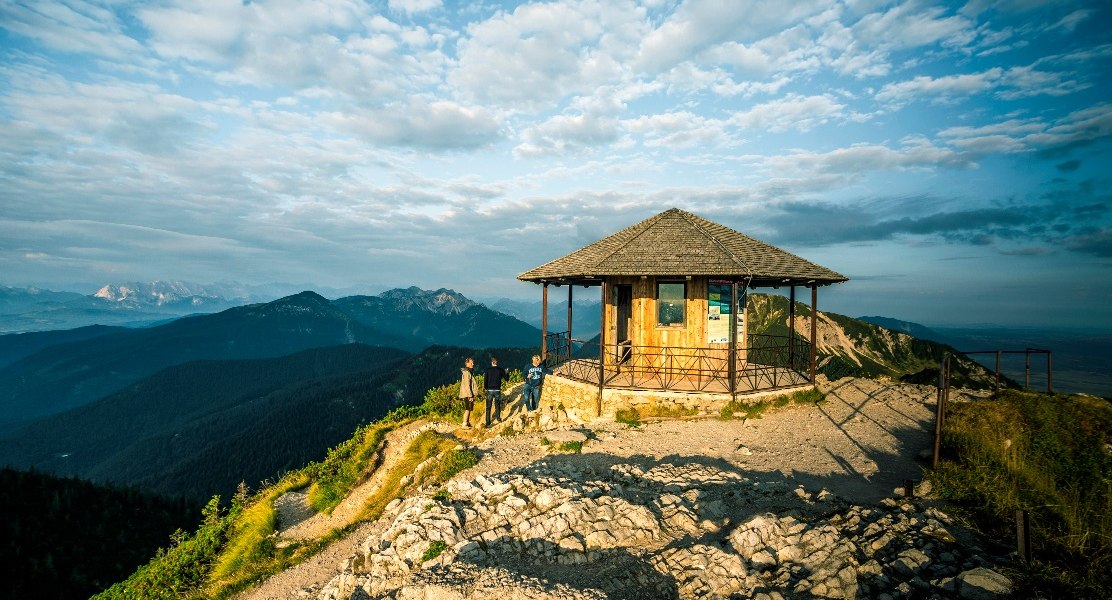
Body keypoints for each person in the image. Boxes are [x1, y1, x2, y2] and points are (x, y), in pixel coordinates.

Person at [483, 357, 507, 427]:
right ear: (497, 363)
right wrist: (507, 373)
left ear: (492, 362)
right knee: (497, 405)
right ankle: (498, 419)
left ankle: (488, 422)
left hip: (489, 390)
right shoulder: (500, 370)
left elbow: (485, 380)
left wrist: (486, 388)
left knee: (488, 407)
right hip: (497, 390)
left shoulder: (487, 370)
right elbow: (506, 379)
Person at [458, 357, 476, 428]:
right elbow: (467, 385)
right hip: (467, 394)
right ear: (467, 363)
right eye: (471, 363)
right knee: (467, 408)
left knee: (469, 408)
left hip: (468, 393)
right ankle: (464, 424)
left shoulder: (468, 371)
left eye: (473, 362)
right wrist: (470, 395)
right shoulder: (466, 372)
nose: (473, 364)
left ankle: (467, 423)